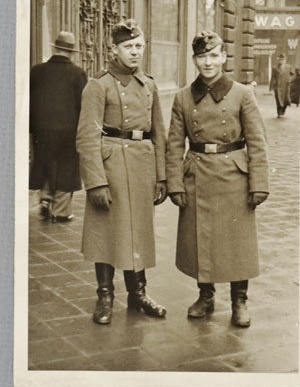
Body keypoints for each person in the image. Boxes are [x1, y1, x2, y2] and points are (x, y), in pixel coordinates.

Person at [166, 31, 269, 327]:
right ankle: (205, 296)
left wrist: (259, 183)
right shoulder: (183, 97)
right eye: (202, 56)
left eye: (214, 55)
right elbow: (174, 144)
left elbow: (257, 141)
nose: (208, 62)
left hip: (234, 174)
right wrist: (174, 183)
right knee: (201, 237)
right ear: (195, 60)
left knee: (237, 241)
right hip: (197, 174)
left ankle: (239, 301)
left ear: (223, 57)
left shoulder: (241, 94)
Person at [76, 19, 167, 325]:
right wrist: (95, 182)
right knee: (106, 233)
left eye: (139, 46)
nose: (134, 52)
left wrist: (162, 177)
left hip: (142, 166)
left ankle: (138, 293)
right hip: (110, 167)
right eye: (128, 47)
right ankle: (104, 296)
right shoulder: (98, 85)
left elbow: (159, 135)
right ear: (113, 50)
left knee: (138, 231)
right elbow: (87, 136)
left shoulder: (149, 85)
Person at [30, 31, 87, 222]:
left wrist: (32, 128)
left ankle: (45, 199)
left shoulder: (36, 71)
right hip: (68, 131)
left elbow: (29, 101)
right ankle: (61, 211)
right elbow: (82, 106)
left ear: (55, 48)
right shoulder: (78, 74)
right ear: (71, 52)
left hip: (41, 130)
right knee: (66, 168)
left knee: (46, 162)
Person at [269, 53, 293, 118]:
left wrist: (289, 80)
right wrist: (271, 87)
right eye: (280, 59)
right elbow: (272, 77)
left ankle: (283, 110)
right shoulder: (275, 68)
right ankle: (279, 112)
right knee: (278, 100)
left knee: (286, 99)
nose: (281, 61)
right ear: (278, 60)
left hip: (286, 86)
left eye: (283, 59)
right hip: (278, 86)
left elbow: (293, 74)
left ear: (285, 60)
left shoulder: (289, 67)